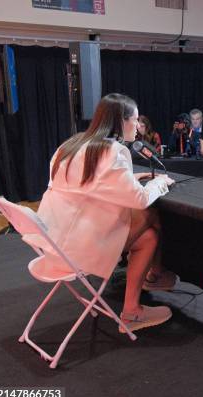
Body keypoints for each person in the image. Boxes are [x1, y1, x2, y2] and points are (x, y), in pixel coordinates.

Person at [27, 93, 176, 333]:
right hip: (83, 250)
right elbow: (138, 199)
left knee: (148, 236)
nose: (138, 127)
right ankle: (152, 282)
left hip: (55, 244)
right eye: (135, 120)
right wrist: (160, 183)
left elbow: (85, 185)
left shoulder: (70, 145)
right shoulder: (114, 151)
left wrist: (131, 179)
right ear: (121, 121)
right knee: (149, 216)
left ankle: (142, 296)